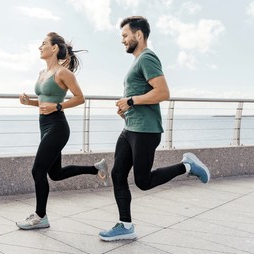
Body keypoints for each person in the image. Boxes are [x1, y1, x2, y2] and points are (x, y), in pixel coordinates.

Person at [99, 16, 210, 241]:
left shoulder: (147, 58)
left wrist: (130, 101)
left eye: (125, 35)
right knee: (117, 174)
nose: (122, 40)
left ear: (138, 35)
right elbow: (142, 94)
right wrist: (126, 107)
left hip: (146, 131)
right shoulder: (137, 61)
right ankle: (126, 225)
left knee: (143, 181)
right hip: (131, 128)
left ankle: (187, 165)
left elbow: (162, 93)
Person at [17, 32, 109, 230]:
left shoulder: (64, 73)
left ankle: (41, 216)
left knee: (37, 171)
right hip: (44, 126)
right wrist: (29, 102)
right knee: (56, 174)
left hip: (58, 127)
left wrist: (58, 107)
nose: (39, 47)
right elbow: (44, 103)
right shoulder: (42, 73)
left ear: (54, 48)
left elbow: (79, 98)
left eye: (43, 44)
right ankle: (96, 168)